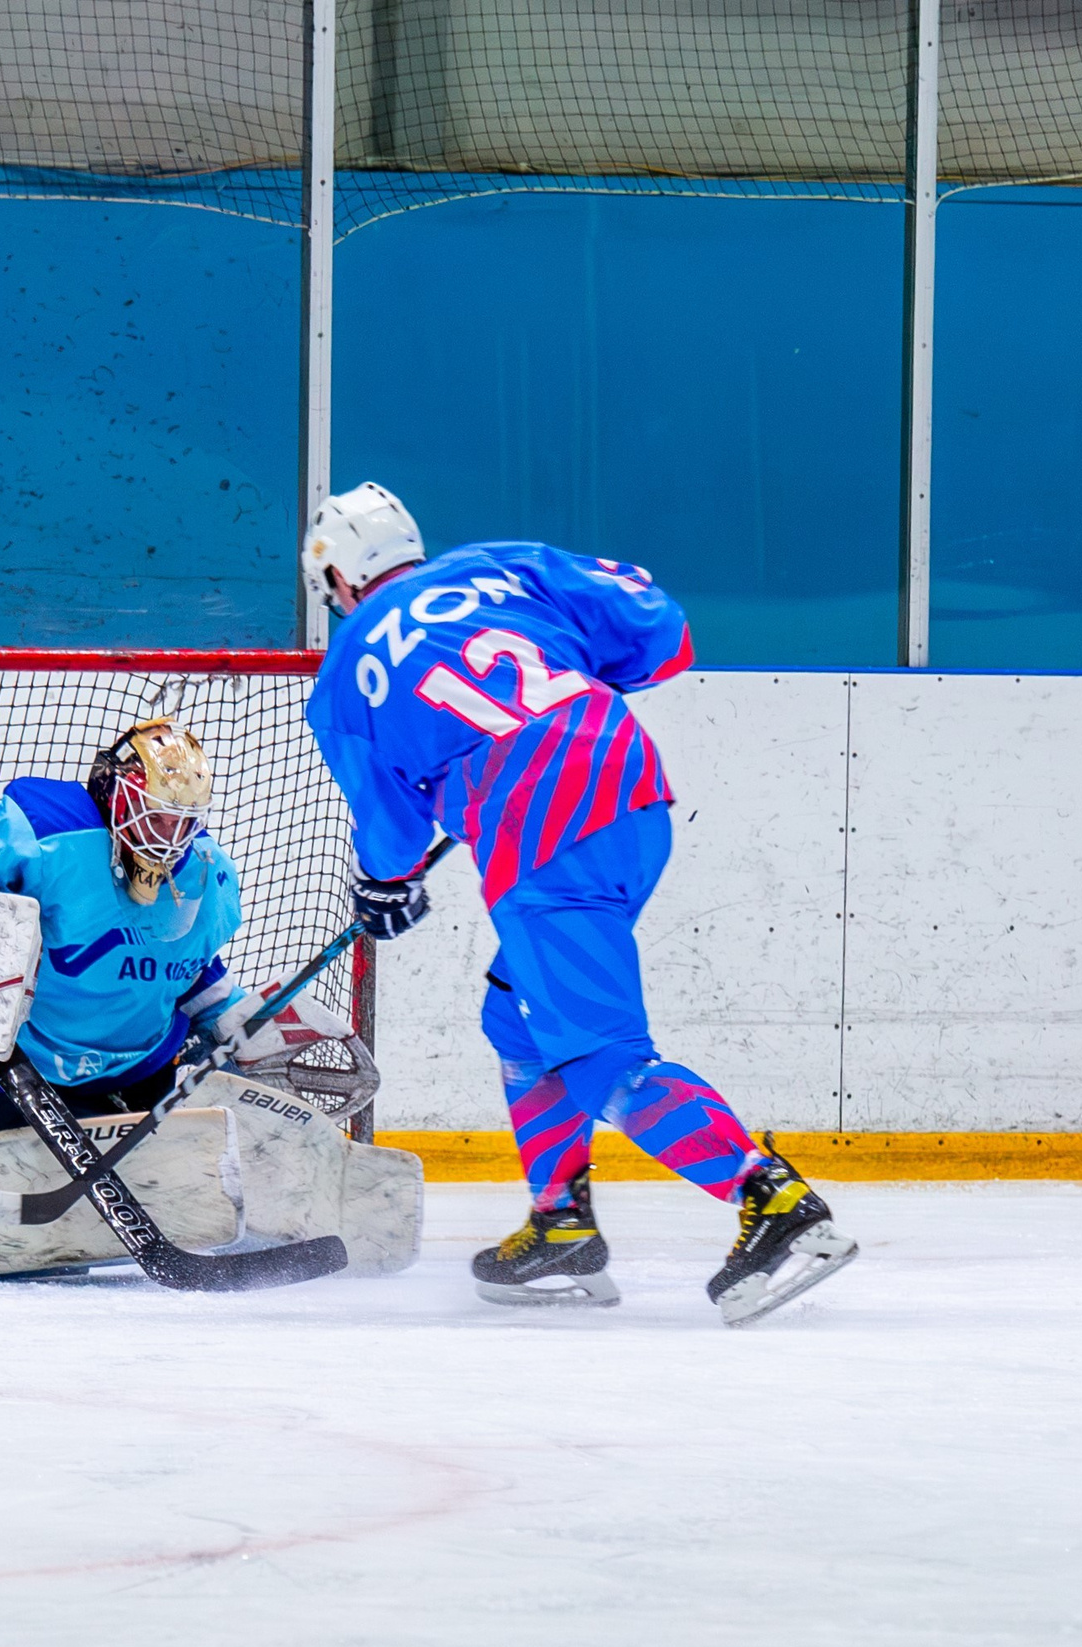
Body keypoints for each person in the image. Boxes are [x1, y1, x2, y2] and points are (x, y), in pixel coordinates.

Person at [301, 482, 857, 1322]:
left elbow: (390, 831)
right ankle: (561, 1221)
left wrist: (386, 885)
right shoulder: (502, 564)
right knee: (518, 1018)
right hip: (631, 794)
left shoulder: (347, 673)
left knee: (601, 1054)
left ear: (339, 580)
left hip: (541, 837)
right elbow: (662, 631)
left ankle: (771, 1200)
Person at [0, 716, 357, 1136]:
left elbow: (184, 971)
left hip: (140, 1082)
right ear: (115, 796)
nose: (170, 839)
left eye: (182, 822)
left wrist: (238, 1023)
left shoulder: (206, 873)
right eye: (158, 818)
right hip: (17, 1076)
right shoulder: (49, 832)